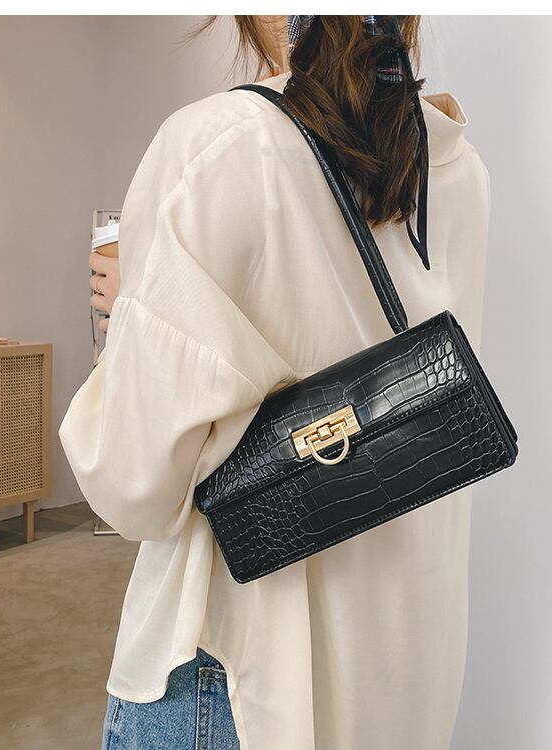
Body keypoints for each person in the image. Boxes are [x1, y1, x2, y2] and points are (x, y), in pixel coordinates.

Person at [60, 15, 491, 750]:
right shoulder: (456, 168)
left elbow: (131, 483)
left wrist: (139, 303)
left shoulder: (220, 145)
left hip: (239, 679)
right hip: (404, 667)